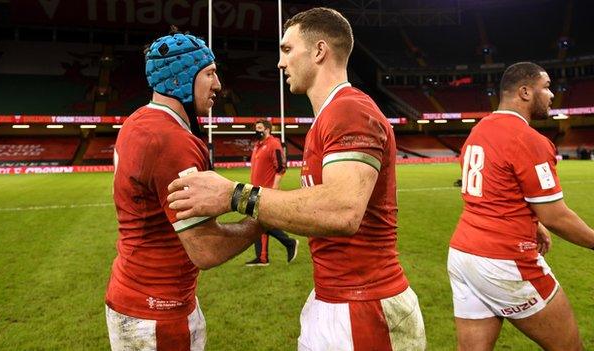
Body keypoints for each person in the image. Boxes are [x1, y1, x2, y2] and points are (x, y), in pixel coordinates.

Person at [166, 8, 426, 350]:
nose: (279, 62)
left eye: (287, 50)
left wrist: (235, 195)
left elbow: (342, 211)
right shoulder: (330, 116)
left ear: (319, 51)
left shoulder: (350, 111)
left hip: (363, 305)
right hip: (338, 298)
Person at [105, 29, 262, 350]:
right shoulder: (172, 141)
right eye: (209, 73)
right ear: (180, 78)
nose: (218, 85)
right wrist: (263, 220)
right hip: (159, 311)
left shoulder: (137, 121)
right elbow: (206, 249)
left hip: (132, 295)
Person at [448, 61, 594, 351]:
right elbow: (556, 216)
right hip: (505, 259)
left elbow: (494, 190)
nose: (553, 94)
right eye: (547, 87)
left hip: (463, 255)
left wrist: (534, 223)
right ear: (526, 92)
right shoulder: (528, 139)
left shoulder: (479, 130)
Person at [245, 119, 299, 266]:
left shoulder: (274, 144)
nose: (257, 130)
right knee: (260, 224)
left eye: (260, 128)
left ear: (267, 129)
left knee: (260, 223)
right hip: (255, 190)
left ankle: (289, 243)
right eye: (256, 128)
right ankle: (263, 257)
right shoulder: (258, 145)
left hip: (266, 191)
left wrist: (274, 188)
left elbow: (281, 167)